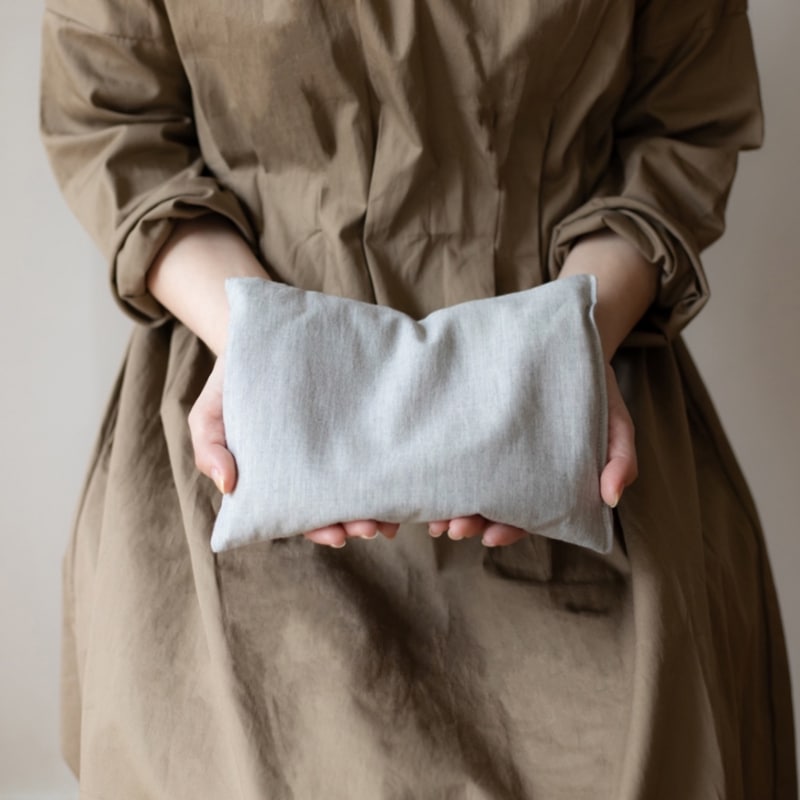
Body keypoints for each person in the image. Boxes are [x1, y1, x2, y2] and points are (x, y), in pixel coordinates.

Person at [40, 0, 796, 797]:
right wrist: (266, 349)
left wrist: (567, 350)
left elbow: (682, 123)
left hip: (584, 423)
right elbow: (114, 121)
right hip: (244, 421)